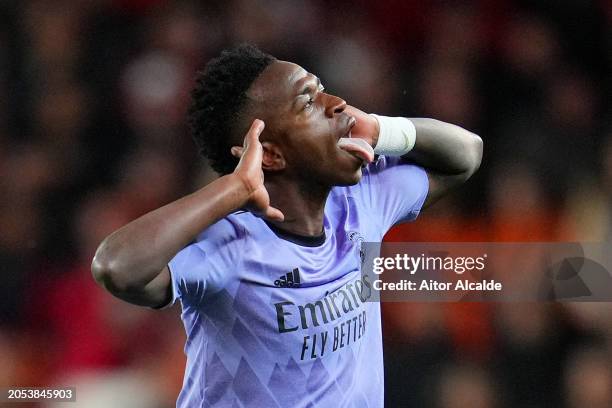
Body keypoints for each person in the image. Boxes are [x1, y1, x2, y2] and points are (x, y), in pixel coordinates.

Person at [91, 44, 482, 407]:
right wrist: (234, 189)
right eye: (308, 101)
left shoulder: (364, 200)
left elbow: (467, 154)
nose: (336, 104)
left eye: (323, 89)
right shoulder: (230, 246)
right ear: (272, 154)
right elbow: (117, 268)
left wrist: (382, 130)